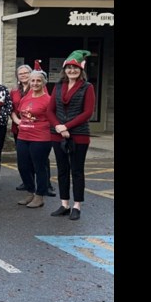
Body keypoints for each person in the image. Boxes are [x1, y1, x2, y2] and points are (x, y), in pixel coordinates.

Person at [50, 50, 96, 221]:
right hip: (58, 134)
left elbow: (88, 112)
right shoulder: (58, 86)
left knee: (77, 171)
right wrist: (59, 127)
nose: (72, 71)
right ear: (64, 70)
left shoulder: (87, 87)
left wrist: (66, 126)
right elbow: (50, 110)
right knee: (62, 170)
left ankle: (77, 205)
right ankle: (64, 204)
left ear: (80, 70)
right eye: (69, 68)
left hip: (79, 134)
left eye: (75, 68)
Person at [11, 64, 58, 209]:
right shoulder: (25, 98)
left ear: (43, 83)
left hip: (41, 137)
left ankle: (40, 195)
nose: (35, 83)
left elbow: (53, 117)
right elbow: (20, 113)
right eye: (33, 81)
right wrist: (19, 122)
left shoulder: (48, 99)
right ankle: (30, 192)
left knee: (39, 167)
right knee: (23, 166)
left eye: (38, 81)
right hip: (23, 136)